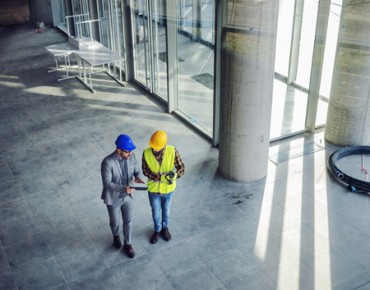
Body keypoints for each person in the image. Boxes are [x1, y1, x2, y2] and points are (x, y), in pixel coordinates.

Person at [101, 134, 145, 258]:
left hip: (128, 197)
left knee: (128, 220)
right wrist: (122, 188)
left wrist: (138, 177)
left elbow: (137, 171)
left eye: (131, 151)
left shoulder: (131, 156)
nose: (130, 154)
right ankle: (116, 235)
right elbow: (107, 183)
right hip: (114, 197)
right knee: (115, 222)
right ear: (119, 150)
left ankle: (128, 243)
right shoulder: (107, 162)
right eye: (127, 151)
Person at [142, 130, 185, 244]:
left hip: (168, 190)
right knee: (156, 212)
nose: (154, 149)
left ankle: (165, 228)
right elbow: (145, 170)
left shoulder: (172, 151)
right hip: (153, 190)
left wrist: (175, 175)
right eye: (153, 147)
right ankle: (157, 230)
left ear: (164, 145)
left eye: (157, 147)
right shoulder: (146, 153)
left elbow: (181, 168)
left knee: (166, 210)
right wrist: (159, 178)